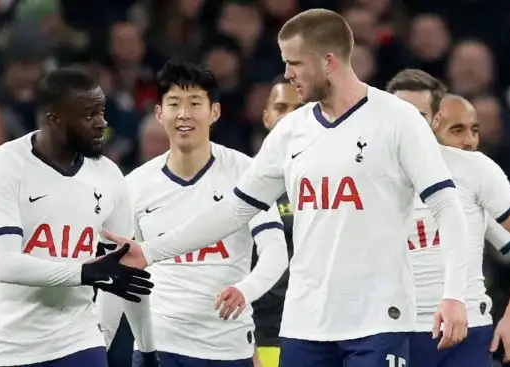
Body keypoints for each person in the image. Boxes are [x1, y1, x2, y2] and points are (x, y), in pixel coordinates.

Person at [105, 9, 471, 367]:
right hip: (303, 322)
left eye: (294, 63)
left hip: (378, 319)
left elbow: (447, 207)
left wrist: (454, 293)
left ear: (328, 61)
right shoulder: (290, 131)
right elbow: (235, 210)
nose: (286, 73)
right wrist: (150, 251)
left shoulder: (397, 118)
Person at [107, 61, 288, 367]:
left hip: (228, 347)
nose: (184, 114)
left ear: (214, 111)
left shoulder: (247, 173)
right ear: (159, 113)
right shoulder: (133, 186)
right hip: (160, 346)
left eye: (195, 104)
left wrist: (246, 290)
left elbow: (275, 253)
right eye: (174, 104)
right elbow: (118, 274)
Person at [0, 67, 154, 367]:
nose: (102, 124)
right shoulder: (3, 164)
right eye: (88, 115)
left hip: (78, 342)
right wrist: (84, 272)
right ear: (54, 120)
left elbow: (127, 271)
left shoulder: (109, 176)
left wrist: (146, 349)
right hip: (7, 346)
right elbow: (5, 264)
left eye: (102, 112)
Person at [387, 69, 510, 365]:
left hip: (466, 331)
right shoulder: (368, 174)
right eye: (457, 130)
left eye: (474, 130)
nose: (470, 142)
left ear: (433, 120)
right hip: (392, 331)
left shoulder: (474, 174)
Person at [254, 76, 302, 367]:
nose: (289, 116)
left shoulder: (333, 180)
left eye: (299, 108)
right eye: (281, 107)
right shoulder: (246, 181)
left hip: (323, 329)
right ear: (267, 117)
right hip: (265, 334)